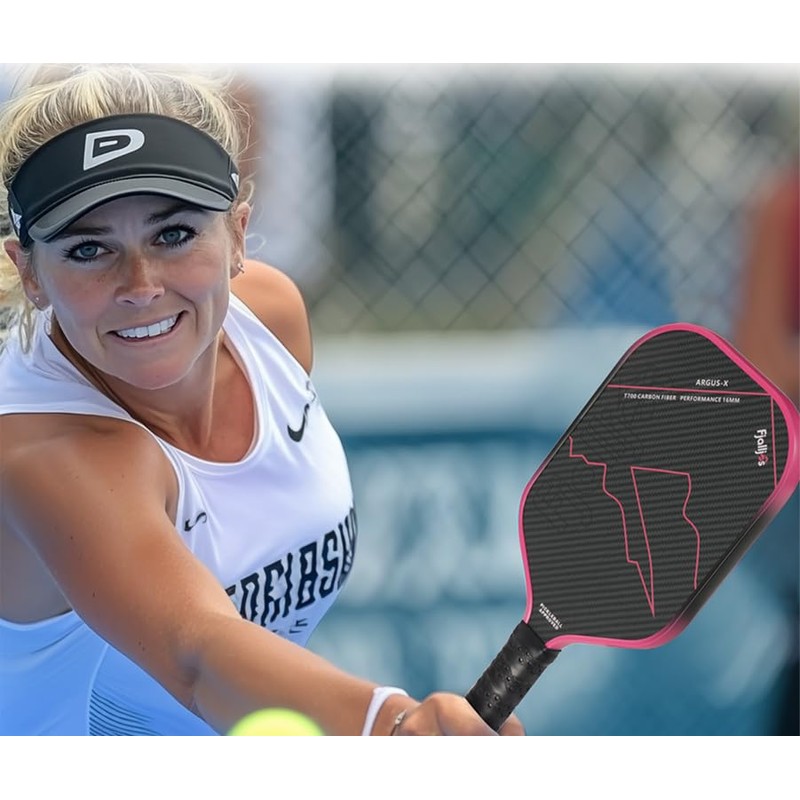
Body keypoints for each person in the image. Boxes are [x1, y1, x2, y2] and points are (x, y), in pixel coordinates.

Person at [0, 63, 525, 737]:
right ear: (29, 272)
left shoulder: (272, 318)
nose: (141, 285)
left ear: (238, 234)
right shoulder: (41, 454)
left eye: (173, 234)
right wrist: (389, 725)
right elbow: (197, 652)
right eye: (88, 248)